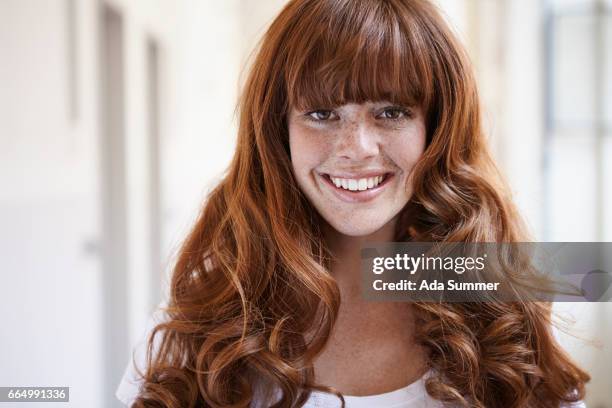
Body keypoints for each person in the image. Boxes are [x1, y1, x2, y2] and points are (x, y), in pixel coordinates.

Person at [116, 0, 589, 406]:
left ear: (437, 129)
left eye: (391, 112)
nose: (357, 147)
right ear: (278, 134)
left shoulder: (500, 298)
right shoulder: (207, 313)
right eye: (322, 113)